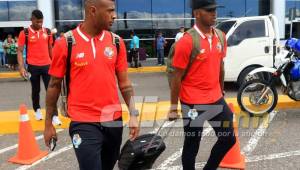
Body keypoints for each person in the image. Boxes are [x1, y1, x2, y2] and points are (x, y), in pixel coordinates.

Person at [43, 0, 140, 170]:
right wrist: (48, 124)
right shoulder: (66, 42)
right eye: (110, 11)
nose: (114, 16)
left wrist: (133, 114)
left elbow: (125, 84)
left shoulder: (116, 42)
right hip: (83, 121)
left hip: (113, 121)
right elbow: (54, 85)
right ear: (93, 10)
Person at [168, 0, 236, 170]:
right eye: (209, 10)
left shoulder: (220, 36)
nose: (214, 13)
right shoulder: (187, 42)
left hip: (215, 98)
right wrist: (173, 106)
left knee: (228, 138)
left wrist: (220, 89)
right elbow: (176, 77)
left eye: (215, 10)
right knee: (192, 142)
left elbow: (220, 65)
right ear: (197, 14)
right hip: (192, 102)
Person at [17, 9, 62, 125]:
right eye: (37, 22)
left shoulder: (47, 32)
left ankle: (54, 115)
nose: (40, 24)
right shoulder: (25, 33)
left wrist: (55, 63)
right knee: (35, 90)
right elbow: (19, 51)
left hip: (47, 65)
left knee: (51, 91)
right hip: (32, 66)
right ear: (32, 19)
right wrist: (22, 67)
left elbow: (50, 49)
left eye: (41, 22)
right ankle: (37, 110)